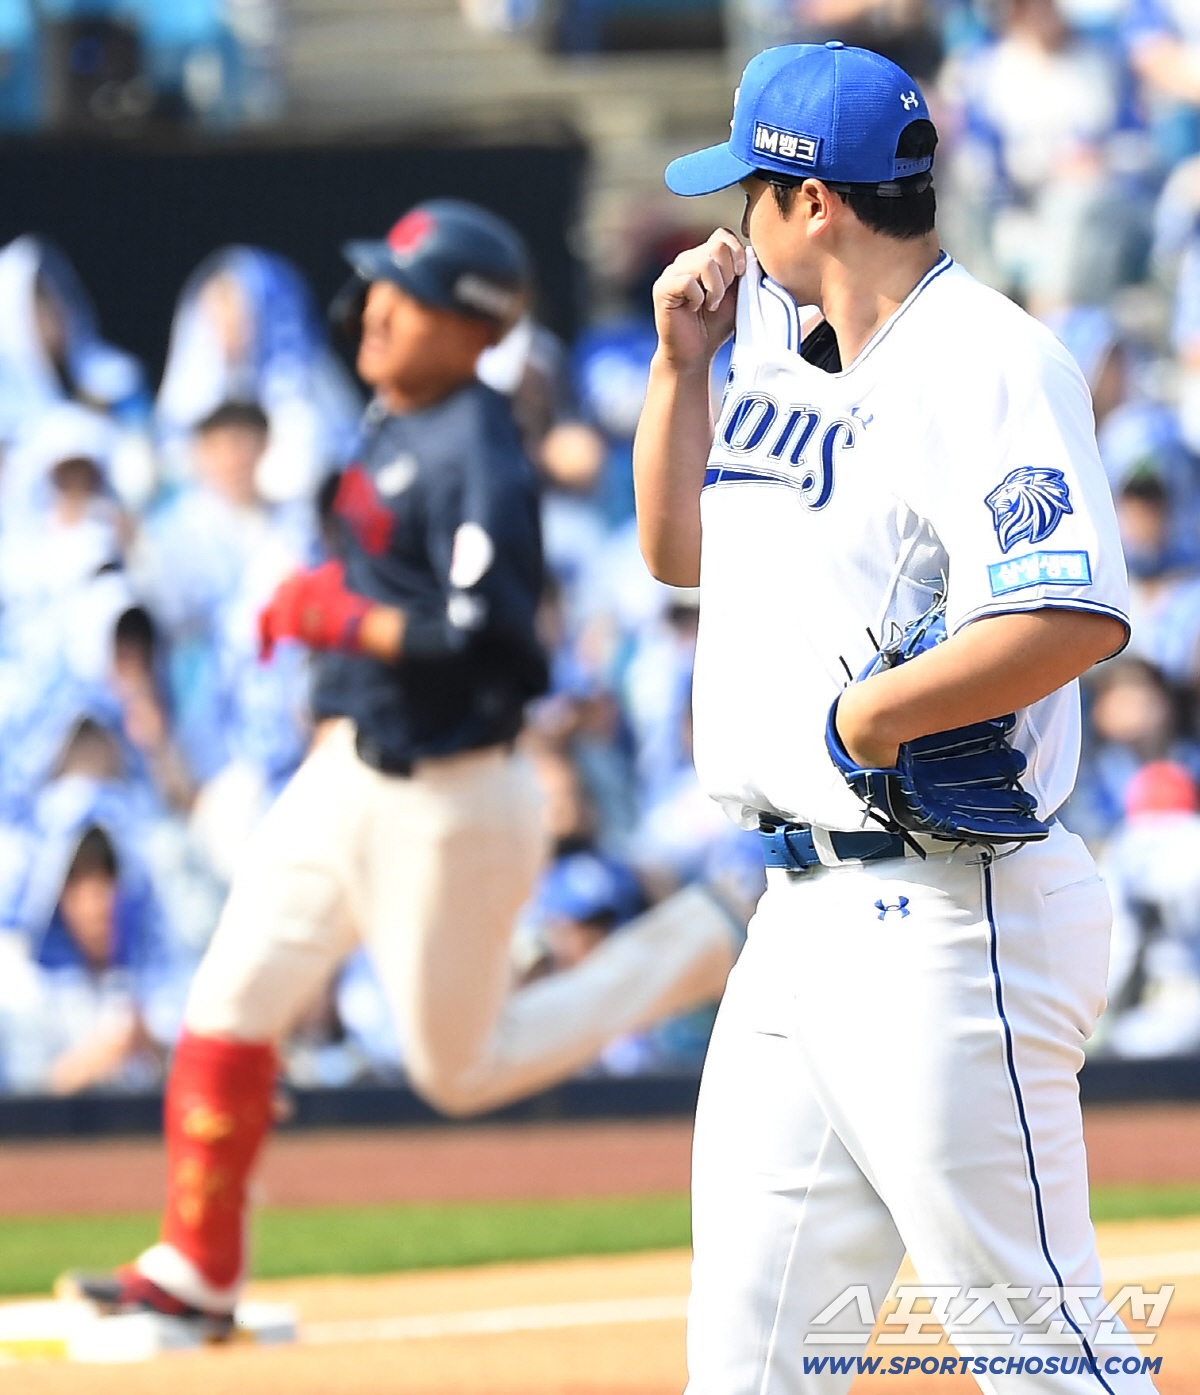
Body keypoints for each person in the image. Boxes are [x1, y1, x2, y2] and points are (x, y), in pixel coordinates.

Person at [61, 198, 740, 1335]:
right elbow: (385, 581)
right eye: (379, 287)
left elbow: (499, 642)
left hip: (455, 794)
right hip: (348, 768)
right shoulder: (389, 416)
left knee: (457, 1071)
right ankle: (198, 1269)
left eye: (407, 295)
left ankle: (709, 935)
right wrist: (328, 605)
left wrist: (351, 620)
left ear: (472, 324)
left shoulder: (480, 449)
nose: (375, 310)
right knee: (228, 1001)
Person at [635, 42, 1156, 1391]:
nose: (734, 218)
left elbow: (1072, 614)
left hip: (950, 915)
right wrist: (679, 368)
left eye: (750, 188)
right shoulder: (776, 353)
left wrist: (867, 719)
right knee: (749, 1362)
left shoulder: (987, 359)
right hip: (795, 918)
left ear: (815, 203)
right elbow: (681, 551)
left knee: (1045, 1357)